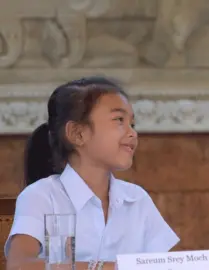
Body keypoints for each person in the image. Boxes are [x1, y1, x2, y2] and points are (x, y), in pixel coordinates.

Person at [6, 77, 180, 269]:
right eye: (119, 120)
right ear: (77, 134)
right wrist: (103, 268)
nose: (133, 133)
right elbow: (19, 265)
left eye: (133, 124)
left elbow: (164, 266)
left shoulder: (137, 199)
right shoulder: (41, 196)